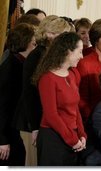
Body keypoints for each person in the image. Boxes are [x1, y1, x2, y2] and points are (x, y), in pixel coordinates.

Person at [14, 15, 72, 165]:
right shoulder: (36, 56)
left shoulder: (49, 54)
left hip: (43, 121)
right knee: (34, 164)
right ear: (48, 34)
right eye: (61, 35)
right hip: (32, 122)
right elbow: (30, 94)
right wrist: (34, 127)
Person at [31, 32, 87, 166]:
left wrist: (82, 134)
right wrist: (72, 140)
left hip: (72, 137)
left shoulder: (73, 74)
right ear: (68, 51)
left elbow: (75, 108)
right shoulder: (47, 78)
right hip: (53, 138)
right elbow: (51, 116)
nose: (82, 56)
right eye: (79, 52)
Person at [0, 23, 36, 166]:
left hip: (11, 129)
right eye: (34, 43)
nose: (35, 47)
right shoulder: (11, 67)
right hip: (6, 134)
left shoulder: (20, 63)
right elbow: (2, 106)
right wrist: (2, 140)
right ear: (25, 43)